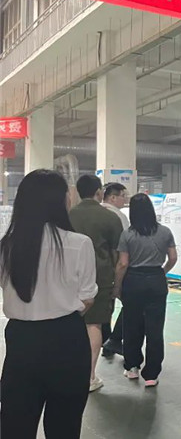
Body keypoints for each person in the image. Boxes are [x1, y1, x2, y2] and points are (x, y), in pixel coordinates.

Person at [0, 170, 97, 438]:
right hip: (67, 340)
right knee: (65, 425)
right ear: (61, 201)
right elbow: (87, 298)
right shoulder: (79, 244)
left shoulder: (6, 247)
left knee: (16, 425)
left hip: (21, 342)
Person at [112, 194, 178, 387]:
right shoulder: (165, 232)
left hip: (133, 281)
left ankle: (132, 367)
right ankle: (151, 375)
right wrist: (161, 272)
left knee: (132, 326)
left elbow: (123, 264)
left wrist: (117, 286)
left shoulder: (127, 235)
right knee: (155, 329)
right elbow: (173, 258)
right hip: (156, 281)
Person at [70, 174, 124, 393]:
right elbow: (118, 255)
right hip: (99, 278)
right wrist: (117, 284)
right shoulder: (110, 217)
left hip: (69, 277)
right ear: (99, 192)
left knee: (71, 325)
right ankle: (89, 376)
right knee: (94, 326)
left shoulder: (68, 214)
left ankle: (71, 372)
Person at [100, 182, 129, 359]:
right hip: (115, 268)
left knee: (104, 308)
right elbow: (125, 245)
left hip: (96, 270)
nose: (125, 199)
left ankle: (106, 341)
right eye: (122, 196)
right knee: (130, 305)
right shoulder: (118, 216)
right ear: (112, 197)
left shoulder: (95, 212)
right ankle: (113, 340)